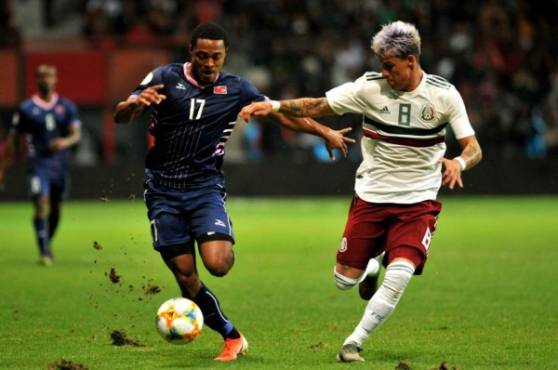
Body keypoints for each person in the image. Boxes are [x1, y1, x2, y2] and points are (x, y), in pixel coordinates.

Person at [240, 20, 482, 362]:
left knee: (401, 274)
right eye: (381, 65)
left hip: (418, 202)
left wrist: (459, 162)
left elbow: (474, 148)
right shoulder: (369, 88)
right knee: (343, 280)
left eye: (390, 66)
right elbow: (316, 105)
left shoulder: (443, 94)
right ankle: (371, 263)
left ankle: (353, 342)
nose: (384, 73)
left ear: (411, 61)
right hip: (371, 197)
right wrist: (276, 106)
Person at [114, 22, 354, 362]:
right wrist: (136, 105)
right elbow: (121, 114)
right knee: (185, 275)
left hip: (204, 188)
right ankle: (231, 336)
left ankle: (218, 235)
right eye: (202, 56)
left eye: (216, 57)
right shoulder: (164, 78)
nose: (209, 63)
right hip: (162, 190)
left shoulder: (236, 88)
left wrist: (323, 132)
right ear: (190, 53)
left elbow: (279, 114)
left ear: (225, 56)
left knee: (219, 264)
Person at [0, 64, 81, 266]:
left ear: (55, 79)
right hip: (38, 164)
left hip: (60, 165)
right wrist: (3, 168)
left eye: (50, 76)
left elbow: (76, 134)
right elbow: (13, 139)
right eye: (42, 77)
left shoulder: (67, 106)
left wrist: (65, 142)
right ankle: (44, 251)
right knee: (40, 204)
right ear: (37, 80)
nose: (46, 80)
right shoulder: (26, 108)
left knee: (57, 209)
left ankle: (46, 241)